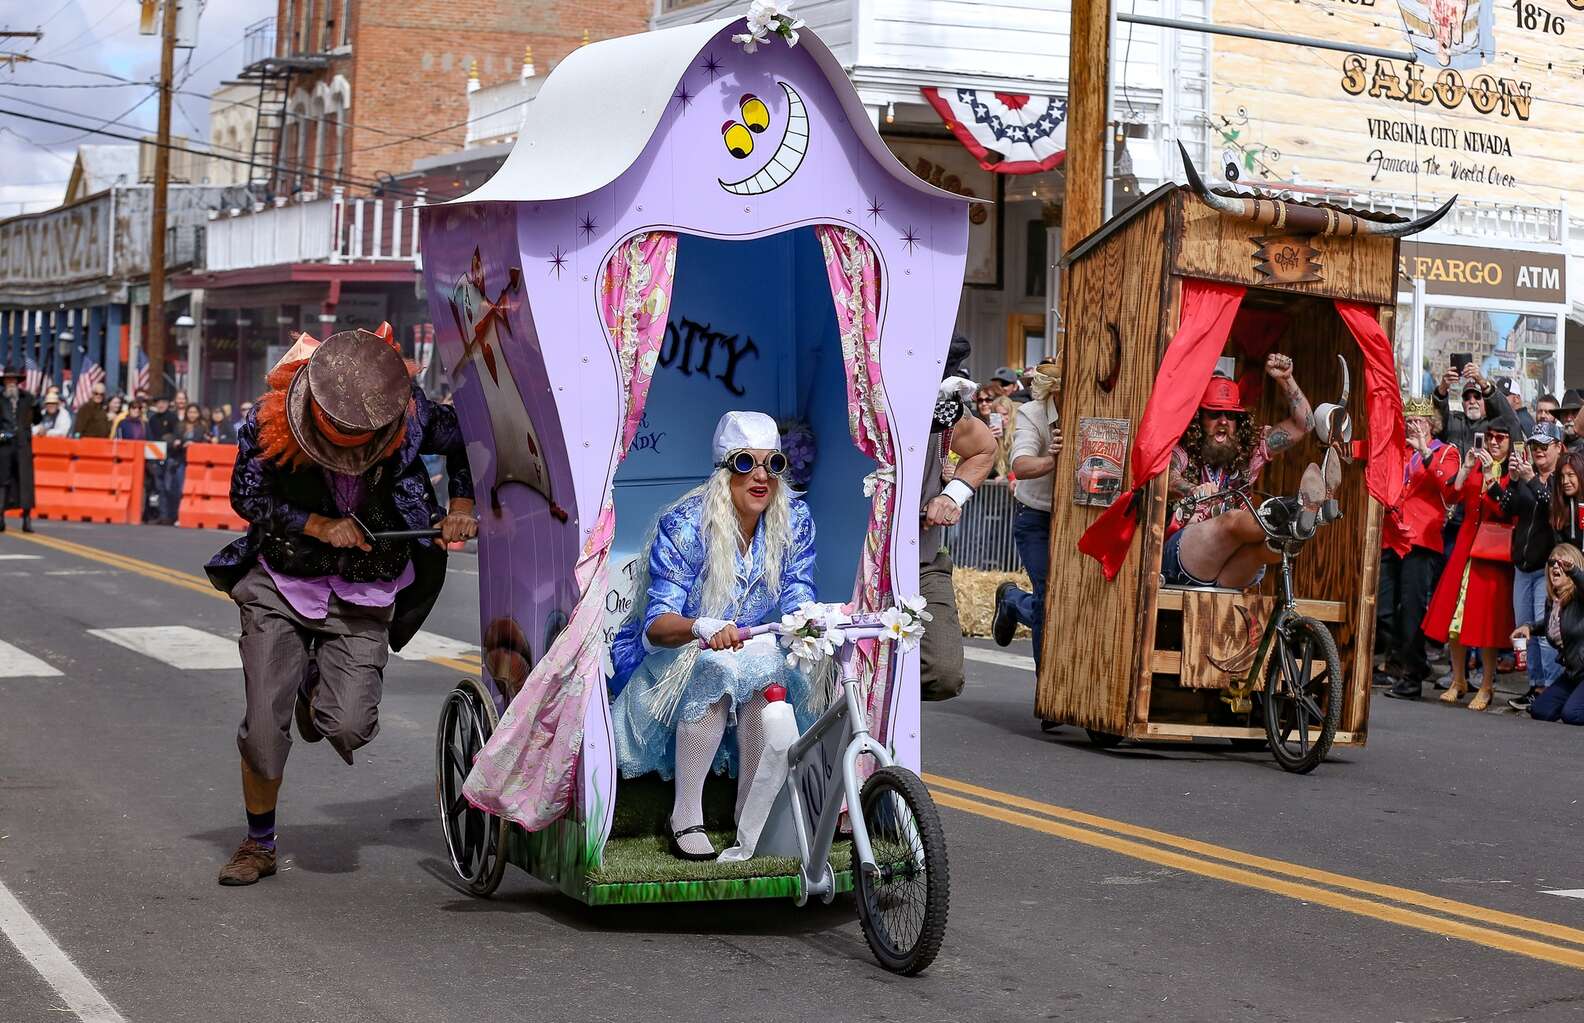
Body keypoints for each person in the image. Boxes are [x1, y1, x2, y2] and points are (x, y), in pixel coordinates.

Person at [205, 326, 476, 886]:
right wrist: (318, 525)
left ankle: (312, 691)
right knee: (263, 728)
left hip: (366, 586)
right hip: (282, 580)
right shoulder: (269, 420)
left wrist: (461, 504)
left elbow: (467, 439)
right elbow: (247, 496)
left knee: (349, 725)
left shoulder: (414, 414)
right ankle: (258, 844)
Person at [608, 412, 819, 860]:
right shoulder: (687, 524)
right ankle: (685, 813)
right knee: (719, 666)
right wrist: (701, 627)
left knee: (768, 672)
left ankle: (750, 811)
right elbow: (657, 624)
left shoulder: (794, 519)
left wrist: (813, 619)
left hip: (755, 652)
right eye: (746, 463)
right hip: (679, 662)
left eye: (773, 464)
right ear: (724, 471)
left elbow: (800, 591)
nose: (761, 477)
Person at [1162, 356, 1316, 589]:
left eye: (1231, 415)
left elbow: (1304, 424)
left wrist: (1286, 379)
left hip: (1228, 574)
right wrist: (1192, 489)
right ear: (1199, 419)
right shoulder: (1182, 450)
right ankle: (1285, 514)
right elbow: (1169, 477)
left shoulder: (1248, 451)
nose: (1223, 421)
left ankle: (1291, 528)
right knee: (1232, 521)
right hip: (1181, 562)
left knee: (1264, 552)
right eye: (1214, 414)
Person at [917, 339, 997, 701]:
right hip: (856, 559)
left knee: (944, 673)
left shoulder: (949, 412)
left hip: (922, 558)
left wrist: (953, 495)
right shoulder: (862, 402)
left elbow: (984, 449)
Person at [1419, 423, 1514, 711]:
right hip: (1465, 548)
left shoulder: (1511, 473)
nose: (1494, 442)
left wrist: (1489, 477)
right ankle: (1458, 680)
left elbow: (1504, 510)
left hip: (1491, 553)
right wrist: (1466, 466)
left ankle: (1486, 684)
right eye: (1491, 437)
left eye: (1501, 437)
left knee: (1485, 622)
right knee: (1454, 619)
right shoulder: (1475, 466)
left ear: (1510, 443)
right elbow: (1451, 496)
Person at [1377, 399, 1460, 698]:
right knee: (1383, 610)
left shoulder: (1445, 452)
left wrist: (1426, 453)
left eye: (1420, 421)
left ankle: (1411, 676)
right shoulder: (1400, 452)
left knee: (1411, 611)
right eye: (1409, 420)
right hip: (1391, 536)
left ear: (1432, 424)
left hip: (1421, 540)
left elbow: (1452, 491)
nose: (1414, 425)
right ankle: (1407, 663)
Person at [992, 361, 1063, 675]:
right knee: (1048, 597)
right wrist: (1052, 460)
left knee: (1070, 601)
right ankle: (1046, 690)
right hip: (1037, 516)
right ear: (1056, 389)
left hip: (1080, 518)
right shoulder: (1032, 412)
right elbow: (1020, 465)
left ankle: (1011, 600)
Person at [1497, 421, 1567, 711]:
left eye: (1543, 446)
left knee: (1545, 632)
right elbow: (1506, 509)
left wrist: (1531, 481)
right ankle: (1535, 685)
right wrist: (1513, 479)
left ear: (1558, 448)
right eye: (1534, 446)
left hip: (1547, 567)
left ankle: (1551, 687)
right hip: (1522, 566)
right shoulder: (1529, 475)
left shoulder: (1563, 478)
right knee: (1524, 628)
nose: (1537, 451)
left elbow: (1557, 513)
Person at [1512, 545, 1584, 725]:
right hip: (1574, 674)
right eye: (1552, 562)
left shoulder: (1579, 597)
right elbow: (1551, 624)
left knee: (1572, 715)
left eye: (1563, 563)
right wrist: (1529, 628)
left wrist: (1574, 571)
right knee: (1540, 710)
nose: (1556, 567)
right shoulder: (1554, 601)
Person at [0, 366, 41, 533]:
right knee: (3, 481)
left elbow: (37, 420)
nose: (11, 383)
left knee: (25, 482)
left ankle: (26, 518)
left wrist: (37, 407)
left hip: (23, 444)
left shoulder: (28, 399)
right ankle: (0, 517)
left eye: (13, 380)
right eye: (8, 380)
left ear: (18, 382)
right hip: (4, 445)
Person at [972, 386, 1017, 479]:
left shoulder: (1018, 433)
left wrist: (1007, 477)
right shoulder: (986, 432)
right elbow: (983, 468)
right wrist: (989, 442)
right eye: (998, 415)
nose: (1002, 419)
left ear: (1011, 414)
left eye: (1005, 414)